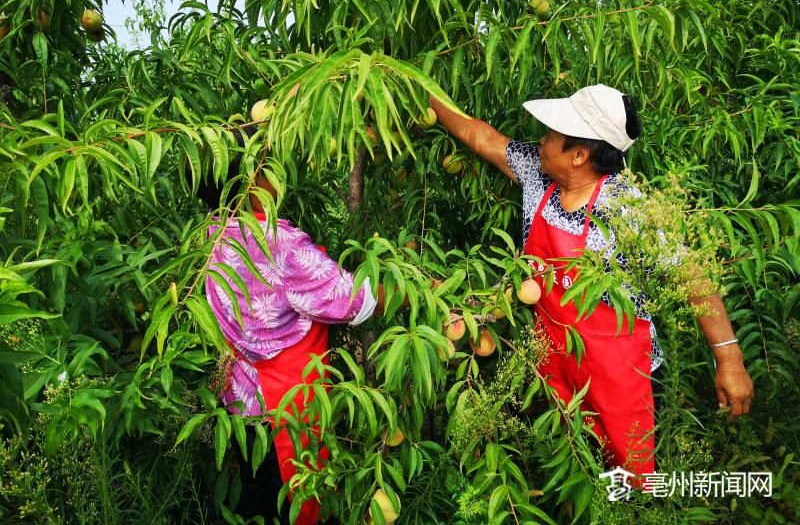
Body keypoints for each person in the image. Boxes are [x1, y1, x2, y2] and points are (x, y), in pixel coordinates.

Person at [429, 84, 754, 476]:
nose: (541, 140)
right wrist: (421, 93)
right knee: (576, 470)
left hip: (622, 377)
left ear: (579, 154)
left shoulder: (626, 208)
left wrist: (730, 358)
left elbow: (693, 278)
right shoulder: (538, 174)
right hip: (558, 364)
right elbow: (479, 135)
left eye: (551, 136)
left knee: (631, 484)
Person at [198, 132, 386, 524]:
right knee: (297, 505)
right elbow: (356, 301)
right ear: (251, 183)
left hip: (239, 403)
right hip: (286, 409)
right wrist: (414, 292)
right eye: (266, 165)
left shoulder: (210, 234)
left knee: (258, 501)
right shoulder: (278, 244)